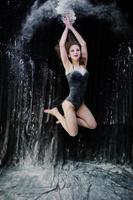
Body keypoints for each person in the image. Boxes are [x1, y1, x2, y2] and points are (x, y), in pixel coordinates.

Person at [44, 16, 97, 137]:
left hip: (80, 104)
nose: (76, 52)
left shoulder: (84, 64)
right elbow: (62, 45)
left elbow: (83, 43)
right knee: (73, 133)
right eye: (72, 51)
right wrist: (66, 28)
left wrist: (72, 27)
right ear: (69, 54)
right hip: (69, 104)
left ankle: (68, 120)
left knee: (93, 125)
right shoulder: (68, 66)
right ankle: (57, 113)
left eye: (77, 50)